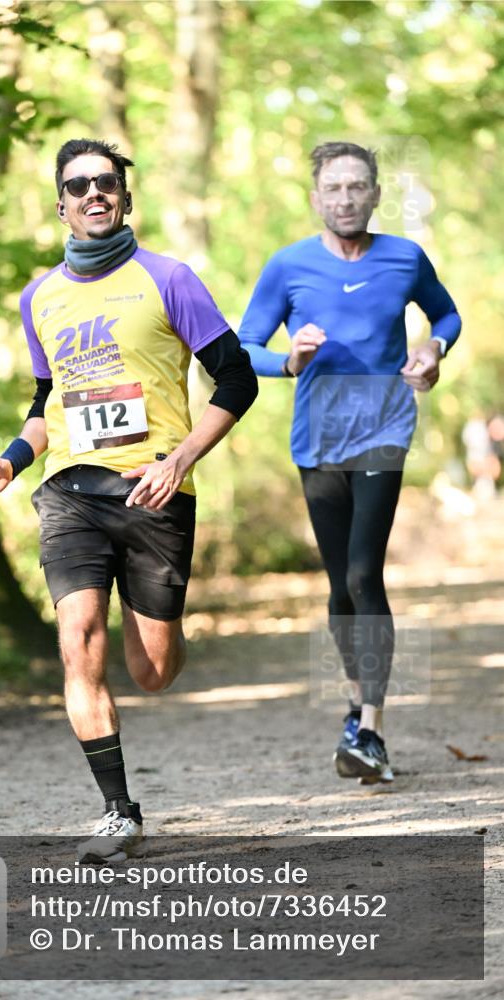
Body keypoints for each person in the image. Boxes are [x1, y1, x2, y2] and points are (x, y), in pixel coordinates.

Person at [0, 138, 257, 859]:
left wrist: (181, 459)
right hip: (70, 495)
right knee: (78, 645)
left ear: (124, 198)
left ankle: (163, 627)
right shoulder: (39, 298)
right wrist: (11, 461)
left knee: (152, 669)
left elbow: (236, 380)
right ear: (60, 203)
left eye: (106, 183)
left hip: (155, 492)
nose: (94, 193)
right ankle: (119, 810)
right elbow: (45, 399)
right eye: (78, 185)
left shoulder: (169, 279)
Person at [239, 141, 461, 784]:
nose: (345, 198)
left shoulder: (404, 258)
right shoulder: (288, 266)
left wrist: (433, 347)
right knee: (339, 586)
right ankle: (356, 699)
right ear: (316, 199)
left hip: (384, 428)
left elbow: (445, 312)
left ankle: (372, 727)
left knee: (365, 575)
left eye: (356, 187)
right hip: (317, 439)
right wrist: (289, 361)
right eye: (333, 188)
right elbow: (244, 344)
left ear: (375, 194)